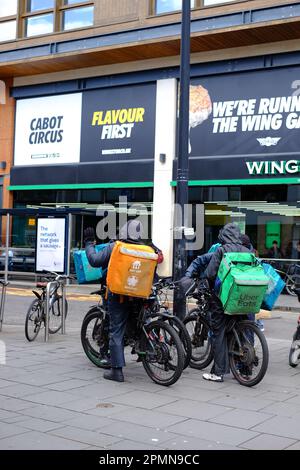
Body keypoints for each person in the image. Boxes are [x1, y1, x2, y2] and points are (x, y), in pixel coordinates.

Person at [84, 220, 163, 383]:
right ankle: (146, 349)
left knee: (116, 330)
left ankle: (116, 371)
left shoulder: (116, 246)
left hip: (119, 294)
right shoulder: (147, 248)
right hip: (140, 295)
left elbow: (94, 260)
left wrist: (89, 243)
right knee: (141, 322)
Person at [202, 222, 251, 383]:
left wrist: (205, 288)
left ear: (224, 235)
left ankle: (218, 372)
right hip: (242, 297)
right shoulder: (247, 250)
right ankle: (245, 368)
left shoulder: (221, 250)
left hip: (222, 299)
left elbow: (210, 274)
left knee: (219, 333)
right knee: (241, 330)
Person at [240, 234, 264, 332]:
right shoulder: (253, 254)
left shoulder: (241, 255)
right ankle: (249, 344)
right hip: (254, 291)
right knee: (250, 320)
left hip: (243, 291)